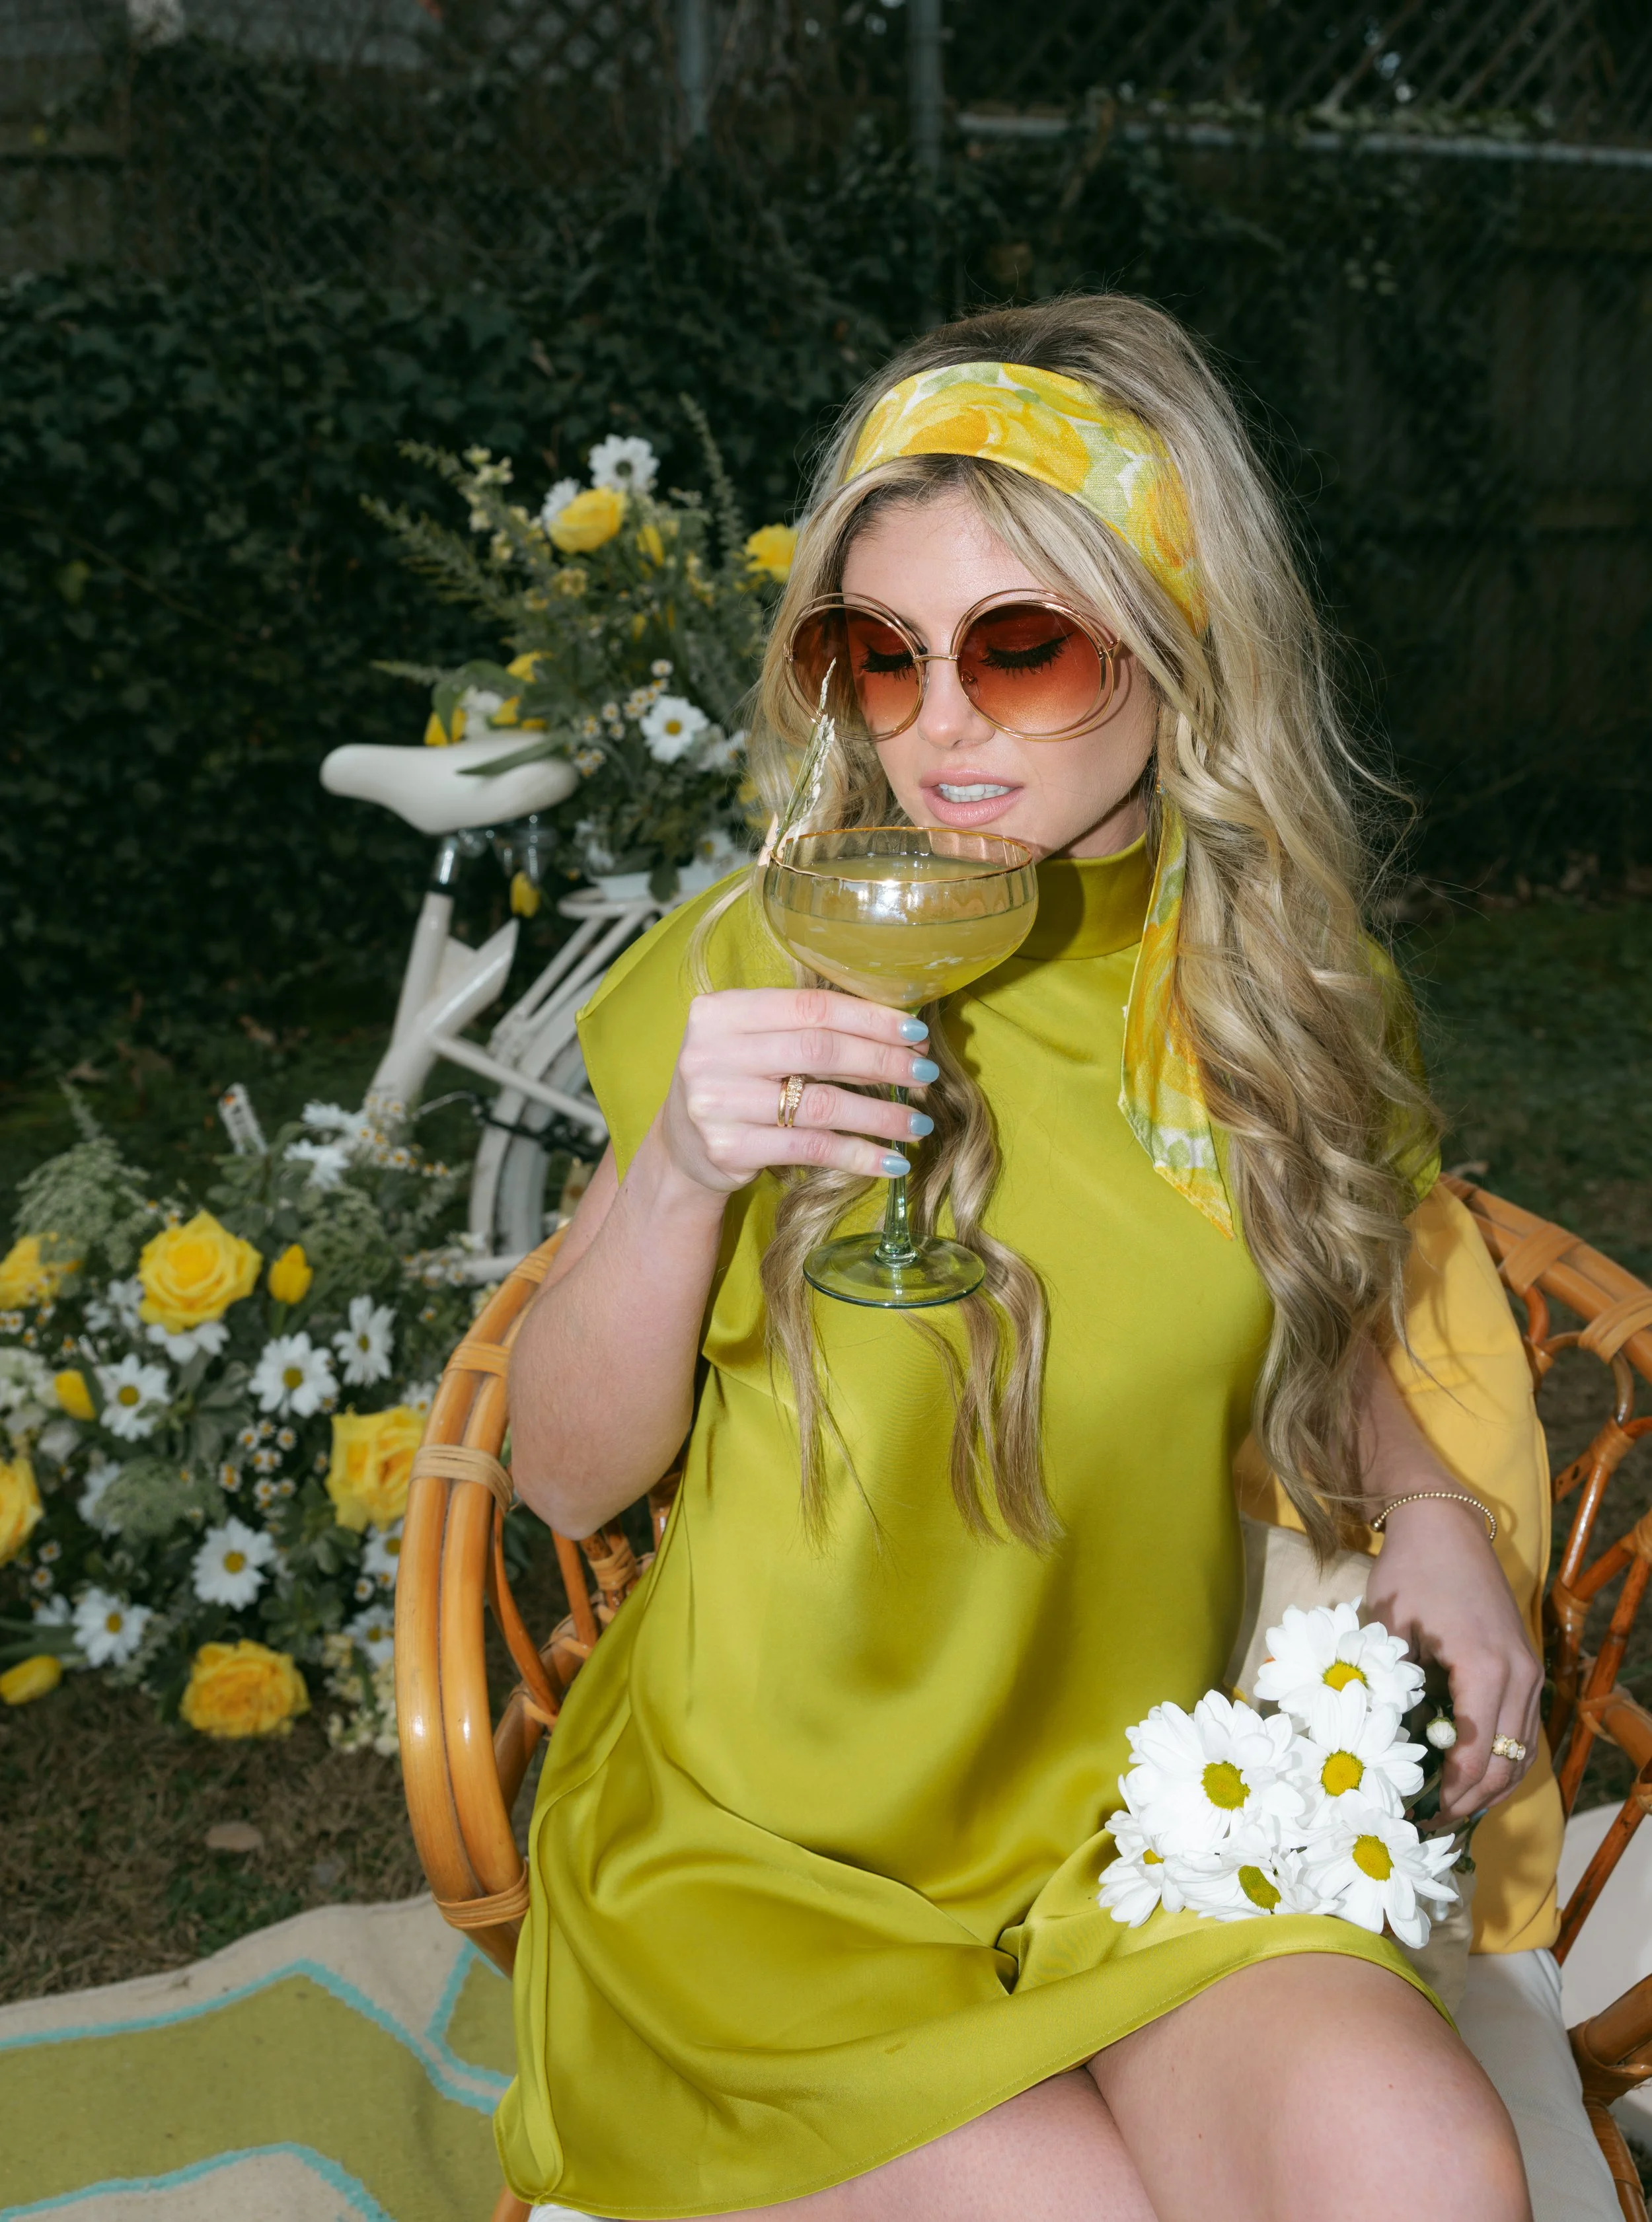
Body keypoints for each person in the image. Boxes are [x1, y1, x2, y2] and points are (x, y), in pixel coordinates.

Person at [501, 294, 1541, 2222]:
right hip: (760, 1871)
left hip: (1133, 1823)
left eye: (1022, 648)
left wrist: (1431, 1512)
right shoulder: (764, 960)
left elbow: (1308, 1322)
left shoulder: (1281, 995)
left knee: (1421, 2174)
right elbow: (564, 1475)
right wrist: (671, 1183)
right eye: (873, 658)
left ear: (1174, 647)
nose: (940, 725)